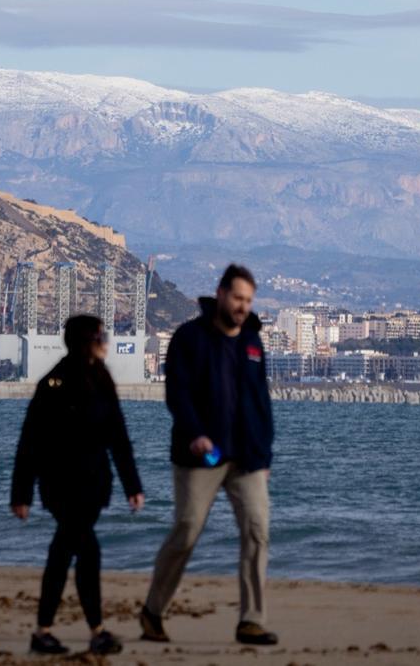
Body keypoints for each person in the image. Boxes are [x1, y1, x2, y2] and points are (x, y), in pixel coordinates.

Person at [138, 264, 278, 646]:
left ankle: (251, 620)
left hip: (247, 458)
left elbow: (260, 400)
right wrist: (196, 434)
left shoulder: (253, 343)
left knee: (257, 532)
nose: (242, 307)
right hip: (199, 455)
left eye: (248, 301)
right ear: (220, 293)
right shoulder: (189, 338)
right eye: (237, 298)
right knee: (186, 532)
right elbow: (177, 394)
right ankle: (153, 610)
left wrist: (264, 455)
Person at [10, 314, 146, 656]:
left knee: (65, 551)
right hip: (60, 486)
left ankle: (46, 631)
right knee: (86, 552)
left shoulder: (102, 379)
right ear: (87, 340)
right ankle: (93, 630)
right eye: (101, 335)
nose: (107, 341)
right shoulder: (53, 383)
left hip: (93, 487)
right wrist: (21, 493)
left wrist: (133, 485)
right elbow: (31, 442)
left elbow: (119, 437)